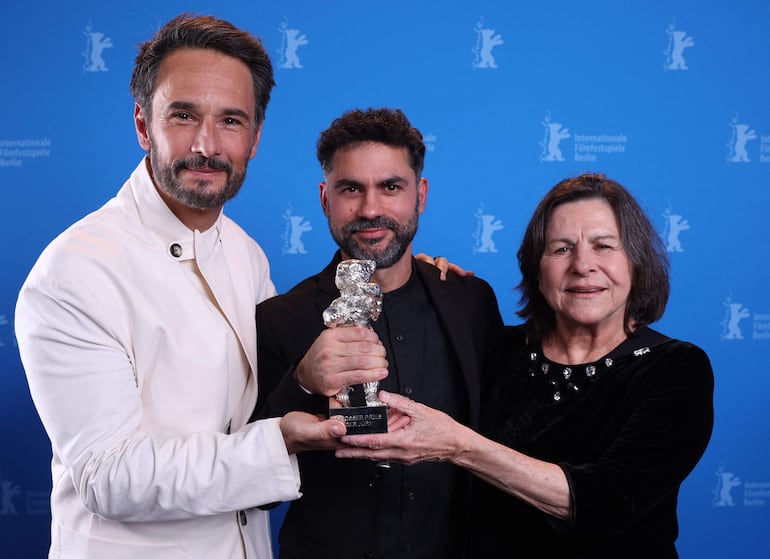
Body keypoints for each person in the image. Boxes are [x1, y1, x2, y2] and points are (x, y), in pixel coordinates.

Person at [14, 13, 347, 559]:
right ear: (144, 125)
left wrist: (401, 271)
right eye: (184, 115)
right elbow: (110, 477)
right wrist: (280, 439)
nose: (207, 145)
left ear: (256, 137)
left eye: (231, 121)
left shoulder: (244, 251)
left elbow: (271, 388)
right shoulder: (74, 272)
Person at [337, 173, 715, 558]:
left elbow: (607, 502)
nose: (583, 265)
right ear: (537, 268)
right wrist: (415, 280)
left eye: (604, 246)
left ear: (635, 262)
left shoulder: (677, 369)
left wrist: (460, 445)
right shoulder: (498, 348)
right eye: (561, 249)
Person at [252, 107, 504, 558]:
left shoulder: (471, 303)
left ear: (420, 195)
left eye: (391, 187)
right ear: (325, 199)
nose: (371, 209)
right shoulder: (278, 319)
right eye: (351, 189)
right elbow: (253, 487)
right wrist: (302, 382)